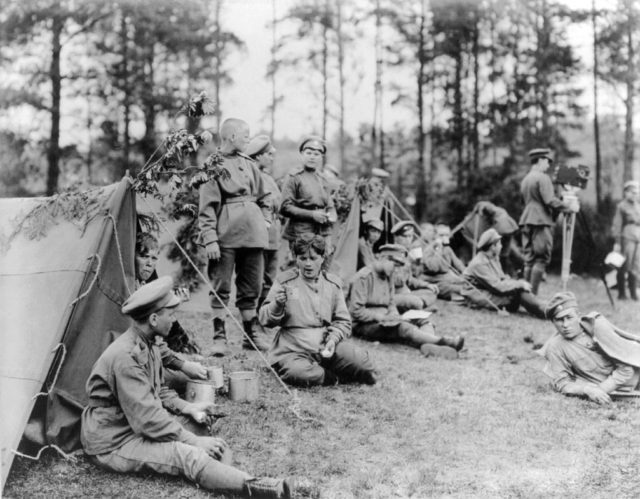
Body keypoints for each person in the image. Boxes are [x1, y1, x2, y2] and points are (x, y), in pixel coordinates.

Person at [81, 277, 291, 498]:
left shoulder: (149, 344)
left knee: (199, 428)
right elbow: (147, 420)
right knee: (187, 453)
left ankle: (224, 477)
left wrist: (188, 408)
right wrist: (194, 441)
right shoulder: (127, 357)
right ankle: (261, 488)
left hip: (130, 426)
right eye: (170, 315)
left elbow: (158, 391)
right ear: (153, 319)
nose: (174, 320)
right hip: (114, 441)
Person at [197, 118, 272, 355]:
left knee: (251, 287)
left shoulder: (249, 164)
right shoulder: (213, 165)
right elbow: (207, 206)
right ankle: (219, 339)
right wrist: (210, 238)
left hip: (254, 237)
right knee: (221, 286)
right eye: (245, 135)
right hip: (225, 236)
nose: (248, 139)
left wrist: (266, 219)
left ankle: (251, 337)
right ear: (231, 137)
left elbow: (265, 196)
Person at [259, 235, 376, 386]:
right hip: (293, 349)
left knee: (364, 363)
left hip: (326, 345)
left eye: (313, 258)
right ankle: (331, 378)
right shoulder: (285, 281)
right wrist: (277, 304)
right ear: (296, 258)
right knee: (298, 373)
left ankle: (327, 370)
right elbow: (264, 319)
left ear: (322, 258)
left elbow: (343, 321)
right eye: (303, 258)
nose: (308, 264)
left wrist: (333, 339)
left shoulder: (332, 284)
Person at [349, 244, 464, 358]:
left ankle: (428, 345)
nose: (396, 270)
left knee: (423, 318)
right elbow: (356, 311)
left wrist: (394, 314)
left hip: (386, 318)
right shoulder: (363, 277)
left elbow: (391, 302)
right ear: (384, 259)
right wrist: (382, 318)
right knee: (403, 327)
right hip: (364, 324)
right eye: (395, 265)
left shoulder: (388, 276)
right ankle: (443, 341)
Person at [541, 291, 640, 405]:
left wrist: (599, 390)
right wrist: (587, 390)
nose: (565, 325)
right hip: (621, 391)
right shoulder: (555, 347)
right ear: (553, 322)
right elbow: (562, 383)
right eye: (559, 320)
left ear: (578, 315)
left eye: (569, 317)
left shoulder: (596, 326)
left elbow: (626, 370)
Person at [518, 148, 571, 294]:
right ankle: (532, 297)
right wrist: (568, 206)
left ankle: (524, 296)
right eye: (547, 162)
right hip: (541, 221)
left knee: (529, 259)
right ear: (541, 160)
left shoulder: (526, 179)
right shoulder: (542, 178)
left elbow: (523, 202)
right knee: (541, 259)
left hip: (526, 220)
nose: (548, 166)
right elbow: (549, 200)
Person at [462, 228, 545, 318]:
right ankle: (545, 311)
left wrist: (516, 283)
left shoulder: (493, 257)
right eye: (499, 244)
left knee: (518, 290)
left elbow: (502, 278)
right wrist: (519, 284)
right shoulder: (479, 263)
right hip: (479, 296)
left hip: (489, 291)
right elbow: (497, 286)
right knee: (518, 293)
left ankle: (545, 308)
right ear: (492, 247)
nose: (501, 246)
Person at [280, 136, 337, 254]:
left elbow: (329, 204)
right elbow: (285, 207)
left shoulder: (323, 179)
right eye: (309, 153)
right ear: (302, 154)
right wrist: (312, 215)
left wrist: (331, 215)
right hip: (301, 232)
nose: (312, 157)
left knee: (323, 268)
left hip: (323, 232)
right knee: (304, 267)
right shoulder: (294, 177)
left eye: (316, 154)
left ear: (321, 157)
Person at [246, 135, 282, 309]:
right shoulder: (251, 177)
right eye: (269, 154)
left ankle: (263, 311)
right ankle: (251, 314)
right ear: (258, 156)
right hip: (257, 235)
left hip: (273, 235)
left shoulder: (268, 178)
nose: (272, 158)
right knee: (255, 277)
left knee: (270, 276)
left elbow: (278, 203)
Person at [391, 221, 439, 312]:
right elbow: (397, 282)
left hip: (406, 292)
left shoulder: (405, 253)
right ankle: (419, 307)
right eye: (405, 236)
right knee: (417, 302)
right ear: (396, 237)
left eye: (411, 236)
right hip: (395, 294)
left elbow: (410, 279)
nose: (409, 239)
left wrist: (427, 285)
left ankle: (417, 308)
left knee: (431, 292)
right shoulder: (392, 254)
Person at [420, 223, 467, 301]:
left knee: (467, 285)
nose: (444, 238)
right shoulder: (429, 249)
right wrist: (438, 248)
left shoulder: (447, 248)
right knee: (461, 289)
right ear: (435, 236)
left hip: (447, 278)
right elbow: (434, 267)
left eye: (447, 235)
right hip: (434, 281)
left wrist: (467, 275)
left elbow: (458, 264)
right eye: (441, 235)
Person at [612, 180, 640, 301]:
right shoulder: (621, 206)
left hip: (637, 236)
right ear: (626, 193)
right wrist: (617, 241)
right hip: (627, 236)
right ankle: (622, 293)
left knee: (636, 266)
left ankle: (634, 293)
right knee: (625, 265)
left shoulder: (638, 205)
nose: (635, 195)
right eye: (632, 192)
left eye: (636, 193)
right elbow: (617, 225)